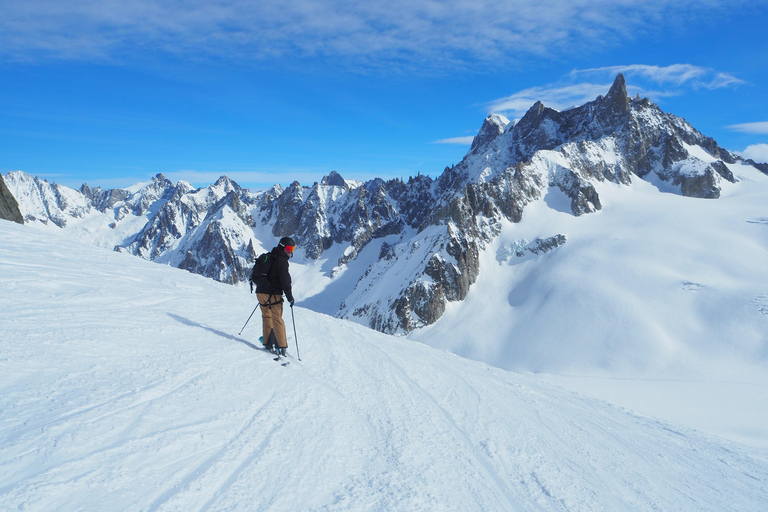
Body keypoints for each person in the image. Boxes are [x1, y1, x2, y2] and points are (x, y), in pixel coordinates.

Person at [256, 237, 296, 356]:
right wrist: (289, 297)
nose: (290, 252)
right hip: (273, 294)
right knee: (277, 319)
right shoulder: (281, 261)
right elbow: (285, 281)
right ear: (282, 247)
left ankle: (268, 343)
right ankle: (281, 346)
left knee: (266, 316)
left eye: (292, 249)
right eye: (289, 248)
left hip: (261, 292)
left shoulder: (269, 256)